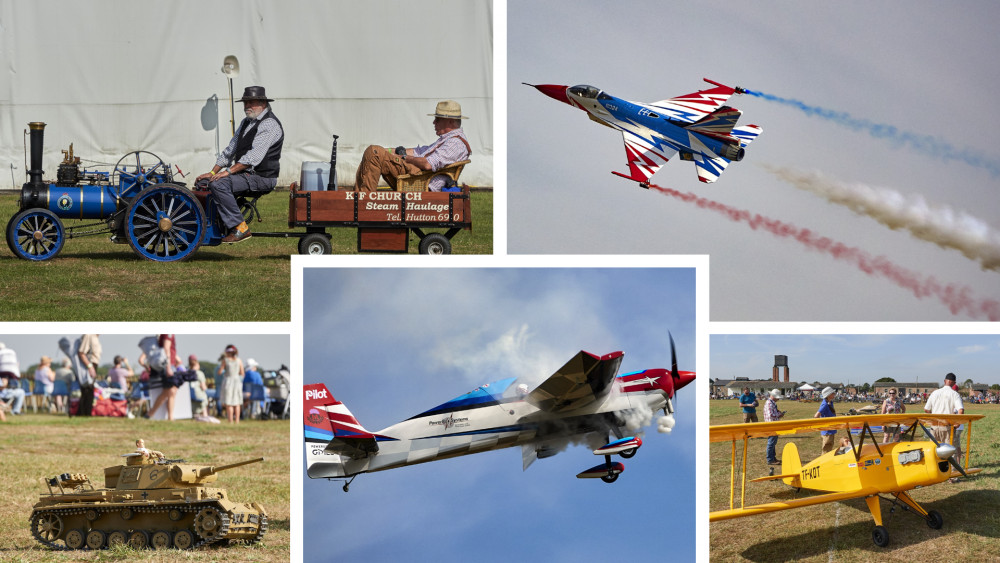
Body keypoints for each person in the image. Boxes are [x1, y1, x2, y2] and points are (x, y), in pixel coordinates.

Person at [196, 86, 284, 243]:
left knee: (219, 185)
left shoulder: (269, 124)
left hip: (262, 177)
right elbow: (230, 150)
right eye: (245, 102)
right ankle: (213, 226)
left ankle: (240, 228)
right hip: (246, 174)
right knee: (204, 182)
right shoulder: (246, 122)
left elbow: (253, 157)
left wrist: (227, 172)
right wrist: (212, 172)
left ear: (263, 103)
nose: (247, 106)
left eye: (251, 102)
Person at [353, 100, 471, 192]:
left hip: (420, 181)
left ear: (450, 121)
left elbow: (427, 164)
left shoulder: (455, 143)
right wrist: (388, 151)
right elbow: (417, 151)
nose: (434, 122)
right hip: (416, 176)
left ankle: (363, 203)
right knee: (374, 151)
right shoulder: (448, 140)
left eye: (437, 119)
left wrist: (405, 158)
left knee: (374, 152)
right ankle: (360, 198)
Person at [924, 373, 964, 482]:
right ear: (954, 383)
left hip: (934, 427)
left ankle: (934, 474)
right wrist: (957, 423)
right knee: (950, 451)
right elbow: (961, 410)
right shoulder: (954, 394)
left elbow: (926, 410)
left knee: (934, 450)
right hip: (947, 427)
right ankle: (953, 476)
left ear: (944, 381)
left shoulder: (935, 393)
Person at [142, 335, 182, 421]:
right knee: (169, 391)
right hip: (168, 365)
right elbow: (166, 349)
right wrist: (168, 368)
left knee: (171, 391)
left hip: (168, 365)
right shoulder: (168, 333)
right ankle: (152, 414)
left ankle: (167, 416)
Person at [75, 334, 102, 417]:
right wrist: (89, 366)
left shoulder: (95, 337)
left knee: (89, 390)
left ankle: (84, 412)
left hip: (93, 364)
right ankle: (85, 413)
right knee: (87, 389)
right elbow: (81, 352)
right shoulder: (89, 335)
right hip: (89, 364)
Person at [217, 344, 245, 423]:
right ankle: (237, 420)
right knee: (237, 402)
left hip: (228, 381)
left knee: (229, 402)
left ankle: (230, 420)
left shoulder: (225, 360)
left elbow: (219, 372)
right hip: (237, 381)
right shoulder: (239, 360)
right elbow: (242, 373)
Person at [0, 342, 26, 417]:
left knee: (21, 392)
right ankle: (15, 410)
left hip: (6, 393)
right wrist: (4, 386)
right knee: (20, 392)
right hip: (3, 394)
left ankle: (16, 411)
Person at [764, 389, 785, 465]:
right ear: (774, 396)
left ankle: (773, 457)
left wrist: (778, 412)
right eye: (777, 397)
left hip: (773, 424)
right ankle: (770, 459)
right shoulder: (770, 403)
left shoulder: (771, 403)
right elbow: (771, 415)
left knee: (773, 442)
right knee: (771, 442)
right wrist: (779, 414)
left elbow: (772, 413)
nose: (778, 399)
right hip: (771, 425)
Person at [814, 386, 838, 453]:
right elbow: (816, 416)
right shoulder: (825, 404)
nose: (834, 394)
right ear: (829, 395)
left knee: (829, 448)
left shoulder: (830, 402)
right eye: (833, 393)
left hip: (831, 429)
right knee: (826, 450)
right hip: (827, 431)